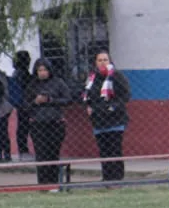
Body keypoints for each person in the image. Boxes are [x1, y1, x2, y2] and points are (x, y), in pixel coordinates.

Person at [83, 50, 132, 182]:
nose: (103, 62)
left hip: (115, 119)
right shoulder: (92, 78)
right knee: (103, 151)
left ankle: (117, 178)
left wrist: (113, 106)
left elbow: (125, 95)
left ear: (110, 61)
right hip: (98, 120)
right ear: (95, 62)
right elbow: (87, 96)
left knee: (115, 149)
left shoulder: (116, 76)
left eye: (105, 59)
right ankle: (107, 178)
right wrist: (88, 106)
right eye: (100, 60)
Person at [26, 58, 71, 186]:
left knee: (53, 153)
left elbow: (68, 99)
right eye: (39, 70)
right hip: (38, 125)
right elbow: (25, 105)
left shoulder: (58, 83)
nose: (42, 73)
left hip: (55, 124)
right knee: (41, 154)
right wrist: (36, 102)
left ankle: (54, 183)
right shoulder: (32, 85)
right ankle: (43, 184)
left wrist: (50, 100)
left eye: (45, 70)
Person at [9, 50, 33, 160]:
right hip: (25, 104)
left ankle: (23, 150)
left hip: (21, 104)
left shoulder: (16, 72)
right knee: (23, 127)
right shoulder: (23, 73)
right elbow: (26, 88)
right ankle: (23, 151)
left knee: (22, 127)